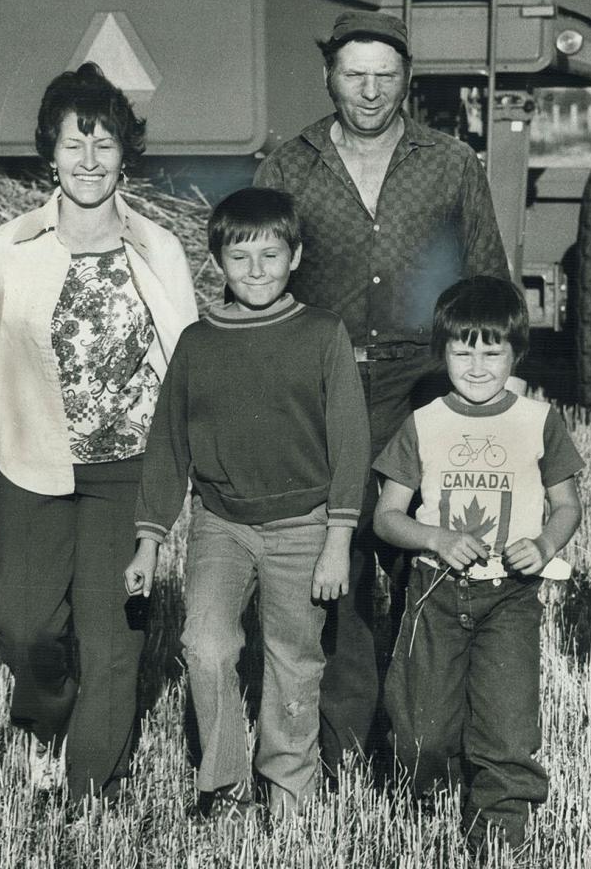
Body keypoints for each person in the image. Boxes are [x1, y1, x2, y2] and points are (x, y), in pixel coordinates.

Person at [253, 10, 511, 772]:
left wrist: (492, 398)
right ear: (328, 74)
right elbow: (255, 275)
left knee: (421, 561)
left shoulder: (452, 163)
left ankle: (423, 744)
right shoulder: (287, 165)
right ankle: (346, 747)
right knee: (342, 555)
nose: (369, 91)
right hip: (320, 382)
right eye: (353, 74)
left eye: (385, 76)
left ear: (408, 80)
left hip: (424, 384)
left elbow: (486, 282)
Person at [0, 62, 198, 804]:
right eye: (73, 145)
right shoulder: (8, 246)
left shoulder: (159, 250)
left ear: (126, 154)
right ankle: (42, 714)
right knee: (24, 627)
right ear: (49, 153)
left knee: (112, 640)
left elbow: (188, 367)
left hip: (129, 470)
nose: (89, 162)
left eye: (105, 145)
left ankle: (89, 792)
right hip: (31, 462)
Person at [125, 187, 370, 819]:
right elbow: (167, 446)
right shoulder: (198, 343)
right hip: (221, 526)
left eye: (270, 254)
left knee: (293, 664)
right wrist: (149, 542)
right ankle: (224, 786)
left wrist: (338, 541)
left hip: (305, 528)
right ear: (218, 262)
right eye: (240, 257)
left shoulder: (322, 334)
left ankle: (288, 794)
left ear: (296, 257)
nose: (256, 270)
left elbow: (349, 439)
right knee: (205, 645)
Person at [373, 275, 583, 854]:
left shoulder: (540, 421)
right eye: (462, 351)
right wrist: (436, 537)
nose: (476, 365)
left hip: (511, 598)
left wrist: (543, 547)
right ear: (442, 353)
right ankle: (424, 808)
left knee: (508, 729)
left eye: (492, 352)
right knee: (422, 733)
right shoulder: (423, 423)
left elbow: (567, 506)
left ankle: (500, 837)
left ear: (516, 352)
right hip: (434, 593)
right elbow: (387, 517)